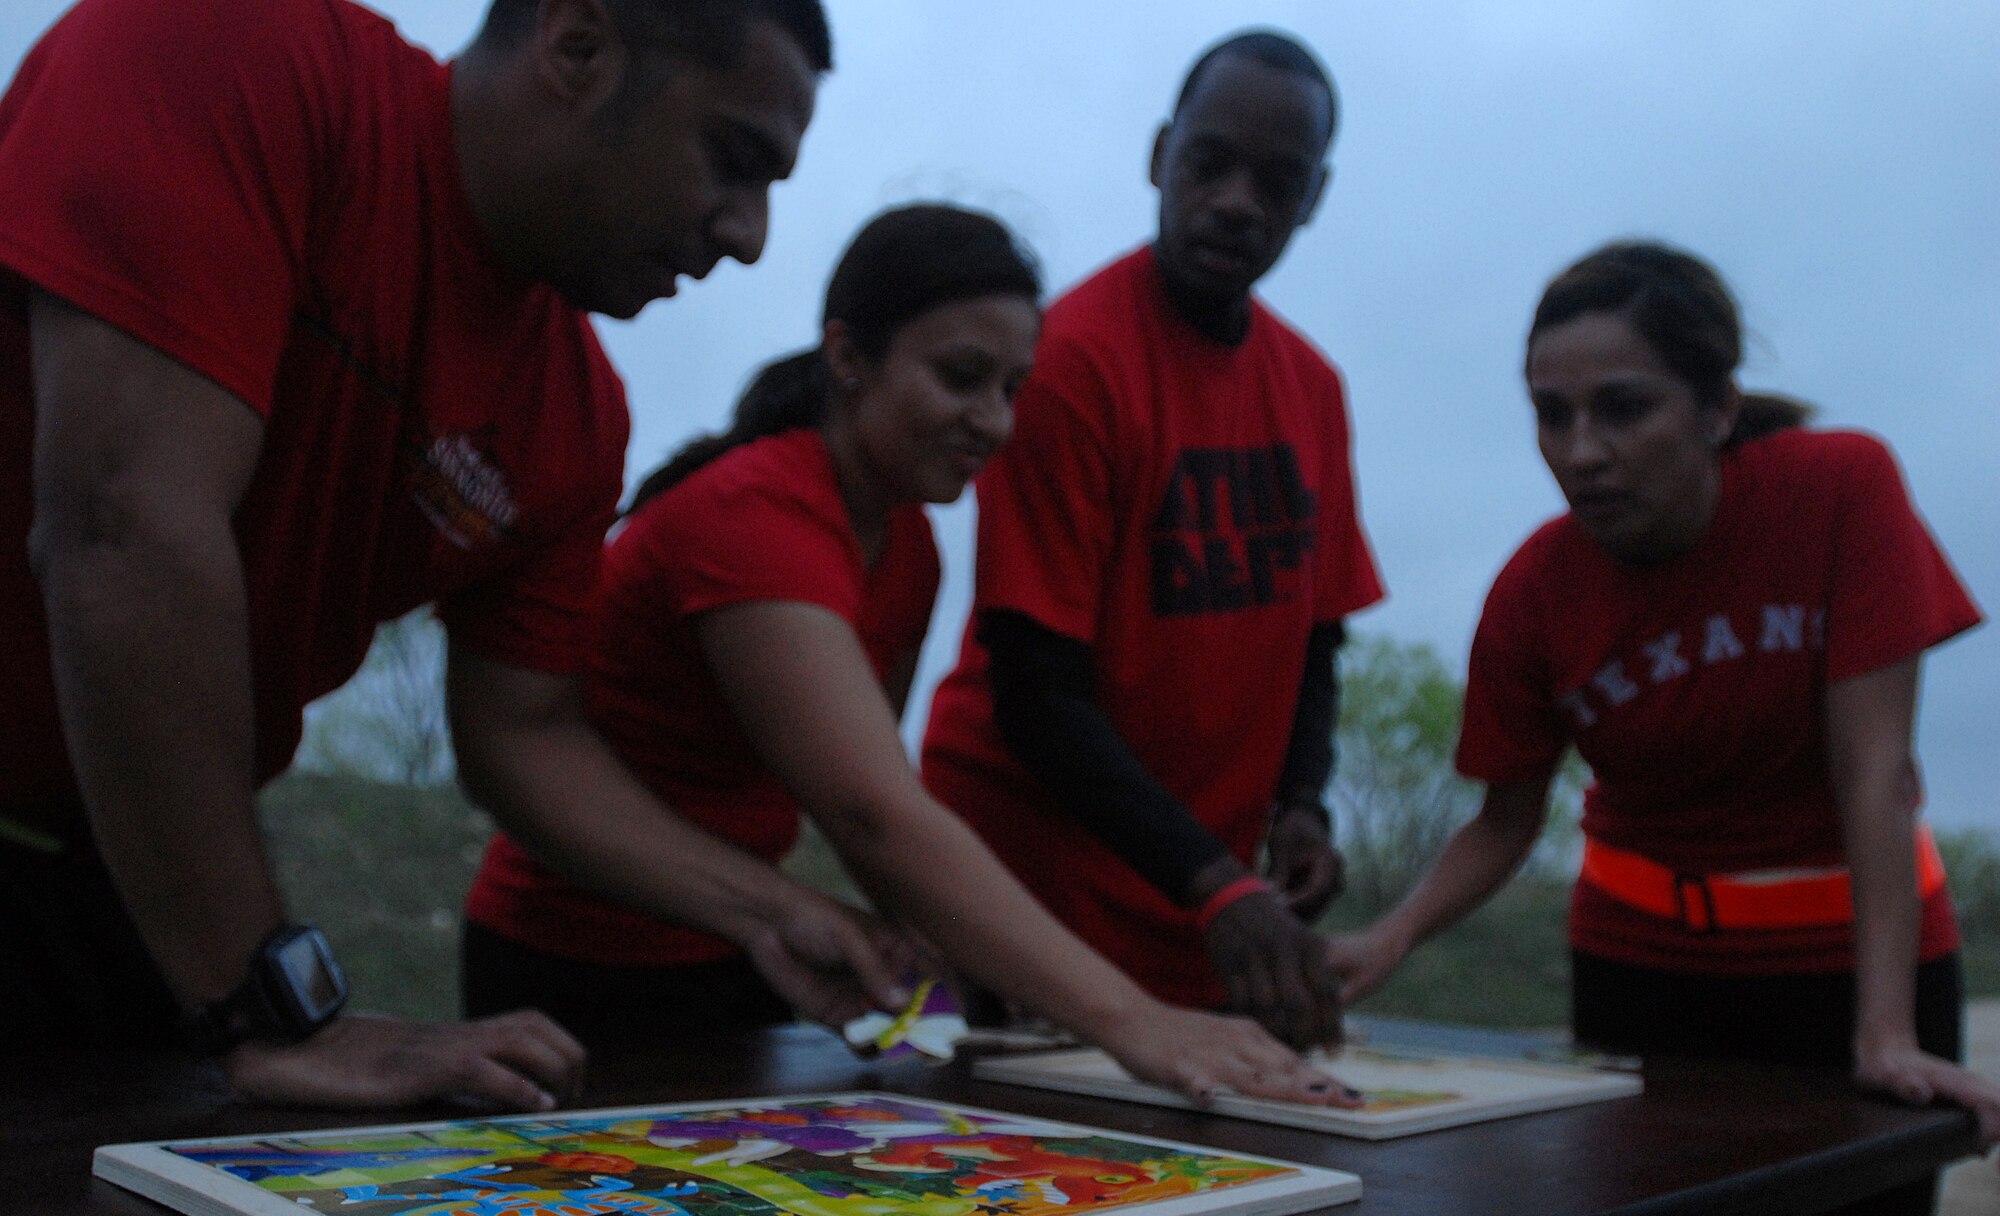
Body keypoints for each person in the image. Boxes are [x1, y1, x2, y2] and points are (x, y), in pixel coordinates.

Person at [0, 0, 917, 1113]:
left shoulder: (575, 420)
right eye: (733, 159)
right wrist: (274, 1009)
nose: (750, 234)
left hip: (125, 885)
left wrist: (771, 911)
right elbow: (122, 523)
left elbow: (524, 739)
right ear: (576, 47)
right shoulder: (228, 47)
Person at [463, 203, 1351, 1107]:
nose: (994, 422)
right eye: (963, 377)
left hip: (738, 950)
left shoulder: (911, 551)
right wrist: (1131, 1018)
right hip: (568, 959)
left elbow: (866, 804)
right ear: (849, 357)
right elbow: (874, 816)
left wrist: (923, 952)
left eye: (1012, 388)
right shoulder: (755, 515)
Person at [1325, 240, 2000, 1216]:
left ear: (1717, 405)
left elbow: (1873, 772)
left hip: (1854, 964)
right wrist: (1386, 938)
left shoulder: (1838, 488)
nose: (1580, 451)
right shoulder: (1533, 593)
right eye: (1550, 414)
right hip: (1645, 981)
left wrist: (1881, 1035)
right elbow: (1503, 820)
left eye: (1622, 408)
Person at [920, 31, 1384, 1050]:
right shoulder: (1071, 360)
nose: (1234, 200)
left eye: (1278, 179)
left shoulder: (1312, 387)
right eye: (1208, 162)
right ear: (1157, 156)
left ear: (1312, 198)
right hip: (1025, 888)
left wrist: (1301, 805)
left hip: (1189, 898)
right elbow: (1035, 689)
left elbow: (1315, 635)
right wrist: (1217, 885)